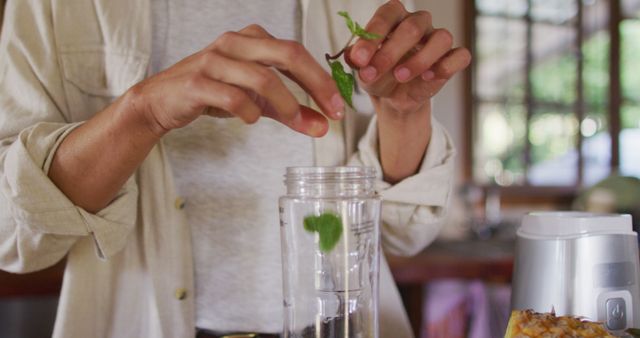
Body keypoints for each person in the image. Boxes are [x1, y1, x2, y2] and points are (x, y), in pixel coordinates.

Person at [0, 0, 470, 337]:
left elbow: (400, 231)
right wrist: (142, 114)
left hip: (336, 326)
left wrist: (403, 111)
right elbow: (9, 233)